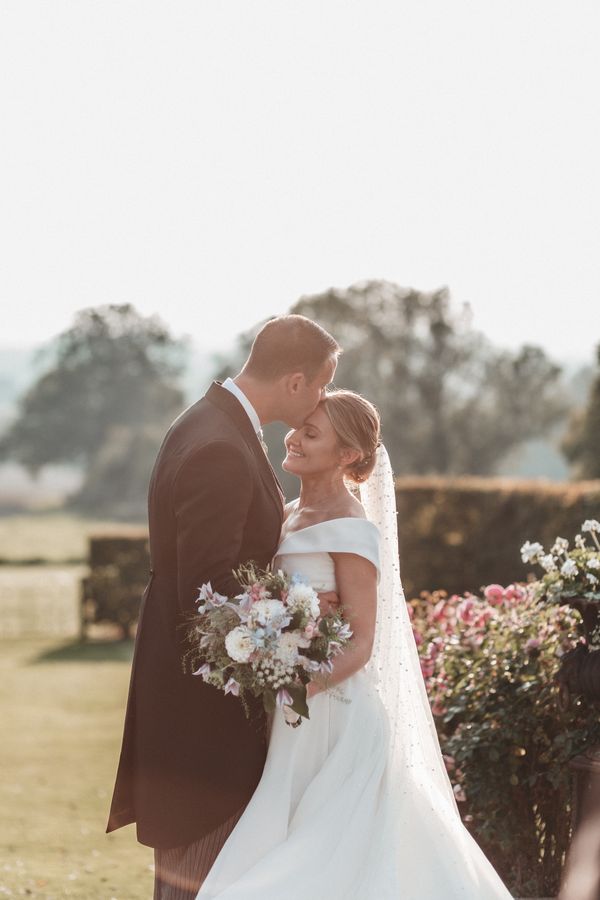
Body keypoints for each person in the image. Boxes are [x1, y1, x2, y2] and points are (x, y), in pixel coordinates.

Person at [195, 389, 514, 899]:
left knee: (320, 863)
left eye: (312, 433)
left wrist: (295, 688)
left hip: (334, 717)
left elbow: (362, 641)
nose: (293, 438)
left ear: (347, 455)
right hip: (293, 716)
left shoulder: (351, 526)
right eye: (298, 427)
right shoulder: (290, 511)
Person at [106, 314, 340, 900]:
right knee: (204, 868)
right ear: (293, 381)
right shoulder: (219, 446)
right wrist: (303, 614)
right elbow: (207, 593)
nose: (323, 397)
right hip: (201, 706)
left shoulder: (213, 423)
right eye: (320, 383)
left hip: (193, 687)